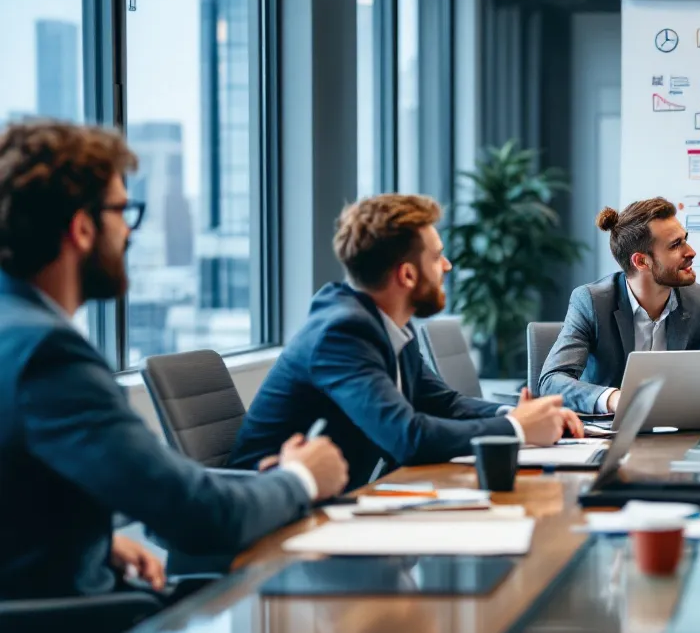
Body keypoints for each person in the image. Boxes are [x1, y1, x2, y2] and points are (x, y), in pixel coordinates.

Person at [0, 121, 349, 599]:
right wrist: (303, 477)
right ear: (82, 228)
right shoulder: (49, 355)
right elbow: (203, 517)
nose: (128, 232)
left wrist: (95, 545)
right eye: (123, 211)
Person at [229, 194, 582, 487]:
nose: (447, 266)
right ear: (408, 274)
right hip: (268, 524)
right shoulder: (342, 333)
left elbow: (443, 404)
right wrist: (517, 428)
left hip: (341, 505)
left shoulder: (389, 322)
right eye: (436, 256)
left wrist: (518, 414)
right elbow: (408, 437)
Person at [540, 198, 700, 414]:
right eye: (675, 245)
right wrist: (615, 399)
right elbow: (552, 382)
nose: (691, 252)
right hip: (608, 436)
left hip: (679, 434)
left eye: (685, 240)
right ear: (641, 262)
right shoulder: (592, 302)